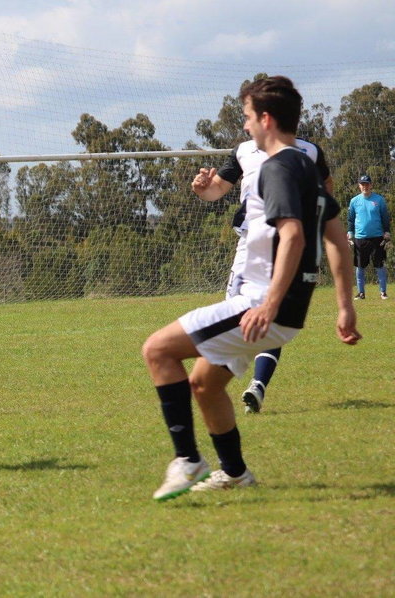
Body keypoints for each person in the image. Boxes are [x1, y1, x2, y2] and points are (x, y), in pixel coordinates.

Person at [143, 76, 360, 501]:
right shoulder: (305, 167)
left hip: (262, 302)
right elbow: (335, 235)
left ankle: (187, 460)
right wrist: (345, 306)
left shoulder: (278, 167)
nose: (244, 127)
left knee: (157, 350)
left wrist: (269, 303)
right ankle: (236, 472)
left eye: (246, 118)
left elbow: (295, 235)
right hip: (285, 308)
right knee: (204, 385)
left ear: (265, 118)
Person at [191, 133, 333, 414]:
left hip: (290, 242)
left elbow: (326, 190)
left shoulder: (310, 151)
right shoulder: (243, 150)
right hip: (249, 242)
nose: (246, 124)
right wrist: (202, 188)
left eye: (249, 113)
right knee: (239, 311)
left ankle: (252, 382)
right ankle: (237, 382)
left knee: (268, 311)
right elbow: (215, 190)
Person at [347, 174, 390, 300]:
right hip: (360, 238)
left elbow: (385, 218)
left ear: (371, 185)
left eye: (367, 184)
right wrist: (350, 233)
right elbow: (350, 219)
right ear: (359, 186)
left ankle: (383, 292)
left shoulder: (379, 200)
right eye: (362, 184)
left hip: (377, 237)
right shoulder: (354, 201)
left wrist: (387, 231)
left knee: (379, 265)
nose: (365, 186)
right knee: (360, 266)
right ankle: (361, 293)